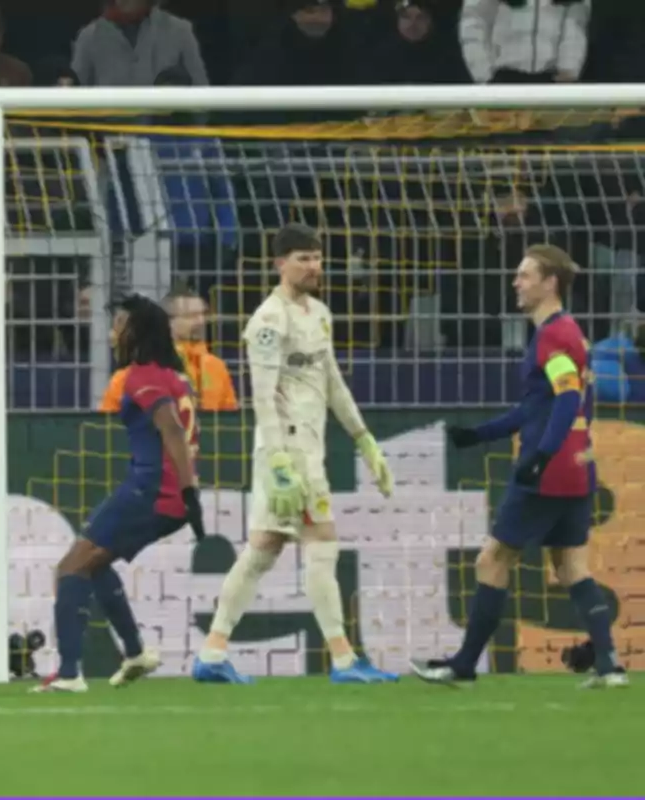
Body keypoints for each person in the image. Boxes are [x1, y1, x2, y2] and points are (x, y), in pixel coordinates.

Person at [412, 244, 627, 688]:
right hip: (578, 468)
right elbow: (534, 408)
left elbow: (568, 397)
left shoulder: (554, 335)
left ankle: (465, 664)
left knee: (492, 560)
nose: (516, 282)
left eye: (525, 275)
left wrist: (542, 457)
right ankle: (608, 666)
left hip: (548, 470)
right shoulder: (566, 332)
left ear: (550, 283)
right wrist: (480, 434)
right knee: (571, 566)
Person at [192, 224, 398, 685]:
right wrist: (280, 460)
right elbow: (261, 396)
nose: (314, 266)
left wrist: (364, 439)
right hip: (287, 450)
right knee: (322, 542)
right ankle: (344, 660)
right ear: (278, 263)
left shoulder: (319, 314)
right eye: (303, 258)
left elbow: (332, 383)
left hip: (309, 446)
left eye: (318, 257)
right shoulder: (268, 321)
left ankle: (212, 652)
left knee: (263, 550)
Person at [34, 295, 206, 693]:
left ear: (137, 332)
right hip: (165, 492)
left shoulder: (142, 375)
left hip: (153, 489)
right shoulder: (175, 376)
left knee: (71, 568)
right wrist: (188, 495)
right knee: (94, 563)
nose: (113, 334)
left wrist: (188, 489)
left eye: (119, 325)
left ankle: (70, 673)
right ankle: (134, 653)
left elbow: (172, 431)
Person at [99, 286, 238, 412]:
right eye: (191, 316)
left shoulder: (216, 367)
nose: (201, 321)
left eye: (204, 314)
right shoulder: (131, 374)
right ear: (168, 322)